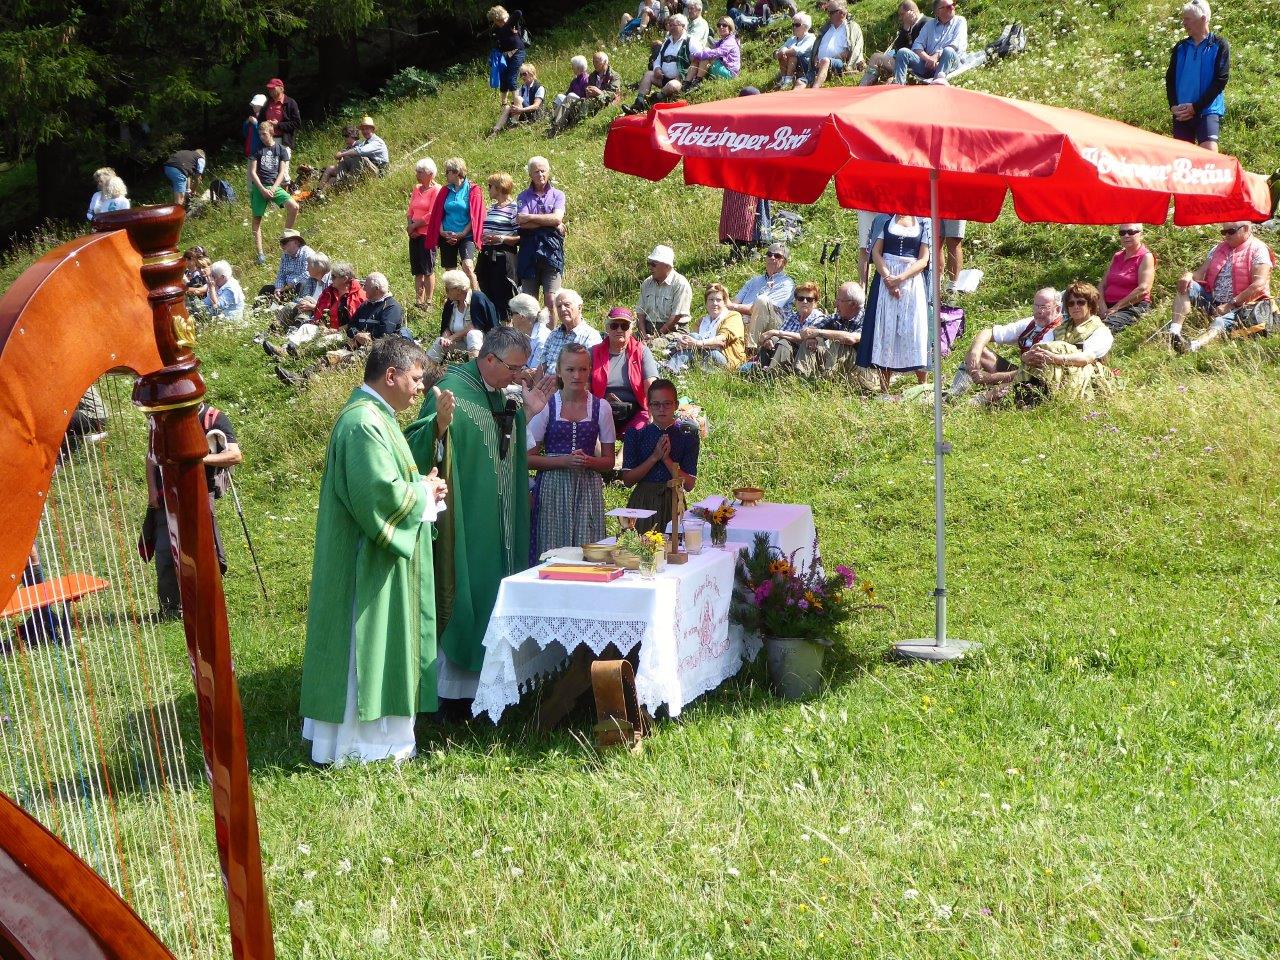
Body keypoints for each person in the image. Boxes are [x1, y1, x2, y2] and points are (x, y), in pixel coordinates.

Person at [299, 338, 452, 765]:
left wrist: (421, 485)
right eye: (416, 379)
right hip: (363, 563)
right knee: (365, 645)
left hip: (370, 556)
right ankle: (362, 746)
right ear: (391, 375)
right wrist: (423, 492)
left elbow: (388, 482)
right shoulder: (363, 423)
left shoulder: (376, 416)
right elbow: (378, 496)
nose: (420, 388)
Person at [406, 327, 556, 706]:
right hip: (467, 522)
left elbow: (501, 442)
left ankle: (492, 687)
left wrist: (527, 412)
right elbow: (420, 445)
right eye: (513, 368)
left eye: (523, 368)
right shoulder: (452, 392)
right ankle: (451, 693)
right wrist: (438, 427)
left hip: (499, 523)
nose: (519, 376)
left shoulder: (497, 393)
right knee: (466, 592)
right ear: (489, 359)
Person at [141, 401, 241, 621]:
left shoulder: (213, 418)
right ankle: (170, 609)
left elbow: (235, 456)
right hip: (166, 495)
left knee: (205, 551)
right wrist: (152, 491)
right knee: (165, 552)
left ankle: (208, 602)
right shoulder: (162, 417)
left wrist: (199, 458)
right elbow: (151, 456)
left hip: (200, 493)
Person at [527, 344, 618, 562]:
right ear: (559, 371)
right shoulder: (546, 406)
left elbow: (609, 462)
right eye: (570, 369)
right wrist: (564, 461)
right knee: (552, 550)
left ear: (590, 370)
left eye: (582, 369)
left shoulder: (601, 408)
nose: (577, 375)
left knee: (588, 551)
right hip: (553, 488)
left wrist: (589, 462)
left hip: (587, 488)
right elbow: (527, 458)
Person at [962, 285, 1114, 402]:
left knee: (1014, 385)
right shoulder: (1060, 329)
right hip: (1037, 371)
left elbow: (1086, 358)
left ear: (1090, 305)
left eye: (1080, 302)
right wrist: (1026, 357)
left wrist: (1053, 358)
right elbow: (989, 332)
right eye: (1071, 303)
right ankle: (957, 393)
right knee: (977, 350)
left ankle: (974, 401)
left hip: (1073, 376)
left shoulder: (1100, 331)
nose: (1075, 307)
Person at [276, 273, 405, 386]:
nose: (364, 289)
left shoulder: (391, 307)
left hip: (377, 350)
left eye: (366, 286)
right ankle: (301, 375)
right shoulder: (365, 305)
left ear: (376, 289)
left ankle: (307, 381)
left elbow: (385, 333)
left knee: (345, 360)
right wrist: (357, 335)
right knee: (331, 355)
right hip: (355, 343)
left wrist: (368, 338)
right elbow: (351, 325)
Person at [1170, 221, 1274, 354]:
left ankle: (1193, 346)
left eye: (1231, 231)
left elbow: (1259, 284)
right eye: (1224, 232)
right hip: (1213, 300)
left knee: (1220, 322)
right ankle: (1174, 332)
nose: (1227, 235)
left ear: (1246, 229)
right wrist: (1188, 276)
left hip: (1243, 305)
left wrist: (1231, 304)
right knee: (1187, 286)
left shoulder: (1259, 249)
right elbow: (1199, 274)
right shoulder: (1218, 248)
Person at [858, 213, 931, 390]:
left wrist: (900, 278)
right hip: (886, 278)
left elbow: (924, 259)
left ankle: (923, 386)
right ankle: (885, 388)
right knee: (886, 328)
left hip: (912, 280)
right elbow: (876, 252)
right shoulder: (884, 219)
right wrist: (888, 278)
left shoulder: (924, 222)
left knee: (914, 329)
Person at [620, 379, 699, 535]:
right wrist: (654, 457)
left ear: (676, 405)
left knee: (673, 545)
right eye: (656, 404)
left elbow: (689, 484)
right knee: (641, 546)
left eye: (667, 404)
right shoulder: (636, 435)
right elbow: (628, 480)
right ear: (648, 406)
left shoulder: (687, 436)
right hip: (643, 501)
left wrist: (667, 460)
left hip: (673, 501)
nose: (661, 409)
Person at [1165, 0, 1229, 151]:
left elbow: (1221, 79)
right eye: (1183, 19)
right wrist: (1173, 106)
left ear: (1203, 19)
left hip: (1207, 111)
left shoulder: (1219, 45)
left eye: (1188, 19)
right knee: (1182, 159)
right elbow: (1170, 78)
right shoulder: (1180, 47)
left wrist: (1196, 107)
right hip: (1182, 112)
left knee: (1209, 157)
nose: (1184, 23)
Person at [591, 307, 658, 436]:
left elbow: (651, 385)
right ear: (607, 328)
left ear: (631, 329)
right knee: (589, 433)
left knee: (639, 431)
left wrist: (652, 414)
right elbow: (584, 386)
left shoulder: (642, 352)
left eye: (625, 326)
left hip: (634, 412)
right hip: (600, 411)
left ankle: (624, 448)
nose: (619, 330)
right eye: (614, 325)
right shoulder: (593, 352)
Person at [428, 157, 485, 292]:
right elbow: (438, 213)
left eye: (447, 172)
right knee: (450, 273)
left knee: (468, 266)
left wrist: (463, 233)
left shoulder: (473, 189)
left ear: (456, 172)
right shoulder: (445, 190)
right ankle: (453, 298)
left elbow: (476, 215)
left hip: (466, 235)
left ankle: (476, 295)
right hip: (447, 235)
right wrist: (441, 231)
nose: (445, 175)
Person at [622, 14, 700, 113]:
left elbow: (698, 59)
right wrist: (657, 68)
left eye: (673, 25)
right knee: (648, 74)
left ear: (683, 26)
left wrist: (686, 76)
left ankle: (653, 100)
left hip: (680, 80)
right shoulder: (667, 42)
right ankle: (638, 103)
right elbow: (658, 59)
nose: (670, 27)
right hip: (663, 78)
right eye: (670, 25)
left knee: (672, 85)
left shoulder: (691, 41)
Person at [516, 156, 566, 310]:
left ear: (548, 171)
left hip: (552, 252)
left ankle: (551, 326)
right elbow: (521, 222)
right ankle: (532, 327)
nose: (540, 174)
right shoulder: (523, 196)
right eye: (536, 172)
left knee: (552, 300)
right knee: (529, 303)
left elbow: (557, 218)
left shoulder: (558, 195)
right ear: (530, 174)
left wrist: (530, 218)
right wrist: (550, 223)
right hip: (528, 253)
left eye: (543, 171)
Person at [248, 120, 300, 265]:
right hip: (259, 187)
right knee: (257, 219)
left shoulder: (281, 150)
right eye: (260, 134)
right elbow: (252, 172)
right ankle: (260, 254)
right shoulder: (257, 149)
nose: (261, 137)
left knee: (294, 207)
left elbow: (282, 171)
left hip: (274, 186)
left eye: (264, 134)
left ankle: (286, 240)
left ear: (271, 133)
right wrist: (262, 189)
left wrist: (273, 188)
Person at [727, 242, 797, 348]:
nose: (772, 257)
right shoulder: (754, 281)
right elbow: (734, 302)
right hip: (745, 318)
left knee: (762, 300)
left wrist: (734, 307)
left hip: (772, 324)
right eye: (769, 254)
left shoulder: (787, 283)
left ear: (784, 262)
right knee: (716, 298)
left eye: (777, 256)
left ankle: (752, 348)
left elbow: (759, 309)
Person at [262, 250, 332, 354]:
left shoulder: (331, 282)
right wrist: (303, 302)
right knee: (291, 304)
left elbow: (332, 306)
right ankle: (273, 330)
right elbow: (301, 297)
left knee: (307, 300)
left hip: (320, 313)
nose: (307, 268)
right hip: (307, 308)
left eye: (309, 265)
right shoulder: (311, 280)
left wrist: (313, 306)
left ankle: (292, 334)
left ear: (318, 268)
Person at [665, 283, 746, 371]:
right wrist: (682, 343)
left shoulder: (733, 316)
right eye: (711, 300)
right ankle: (672, 368)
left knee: (694, 337)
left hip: (725, 361)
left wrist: (696, 343)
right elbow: (690, 342)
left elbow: (722, 341)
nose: (714, 303)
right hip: (702, 357)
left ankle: (670, 369)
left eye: (718, 300)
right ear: (706, 303)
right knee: (689, 339)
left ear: (724, 302)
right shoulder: (701, 321)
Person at [793, 280, 866, 376]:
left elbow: (851, 339)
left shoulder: (867, 320)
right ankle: (801, 376)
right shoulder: (837, 317)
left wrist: (819, 332)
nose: (835, 304)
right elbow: (807, 331)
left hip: (859, 367)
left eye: (839, 301)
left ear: (853, 304)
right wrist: (811, 336)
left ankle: (828, 378)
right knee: (809, 341)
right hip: (836, 362)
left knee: (840, 342)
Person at [477, 172, 521, 323]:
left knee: (504, 295)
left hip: (503, 258)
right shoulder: (492, 208)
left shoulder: (514, 209)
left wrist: (500, 238)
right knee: (489, 294)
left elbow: (520, 237)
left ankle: (507, 326)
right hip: (487, 255)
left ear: (499, 187)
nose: (488, 189)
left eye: (490, 186)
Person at [431, 270, 499, 363]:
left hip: (482, 346)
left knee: (473, 334)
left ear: (458, 290)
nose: (445, 291)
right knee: (439, 341)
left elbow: (476, 325)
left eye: (447, 289)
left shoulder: (478, 298)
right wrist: (445, 339)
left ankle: (474, 367)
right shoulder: (450, 303)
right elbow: (446, 327)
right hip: (460, 345)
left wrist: (452, 337)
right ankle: (427, 368)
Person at [1098, 224, 1156, 333]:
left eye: (1131, 232)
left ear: (1141, 234)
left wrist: (1115, 308)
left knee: (1103, 329)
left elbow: (1144, 289)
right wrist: (1102, 307)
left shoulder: (1146, 257)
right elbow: (1102, 285)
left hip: (1131, 306)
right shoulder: (1117, 256)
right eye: (1122, 233)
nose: (1126, 235)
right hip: (1107, 305)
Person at [893, 0, 966, 85]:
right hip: (929, 64)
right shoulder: (929, 25)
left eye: (953, 4)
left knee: (948, 51)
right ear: (937, 12)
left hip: (950, 61)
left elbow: (955, 44)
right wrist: (928, 59)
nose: (952, 8)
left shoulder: (960, 21)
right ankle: (898, 84)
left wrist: (936, 56)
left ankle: (938, 81)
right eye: (948, 7)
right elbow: (917, 45)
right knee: (903, 52)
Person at [756, 281, 825, 370]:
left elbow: (802, 337)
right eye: (801, 298)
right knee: (773, 340)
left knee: (783, 342)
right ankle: (760, 369)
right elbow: (780, 335)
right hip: (788, 353)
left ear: (815, 303)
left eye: (809, 299)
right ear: (796, 301)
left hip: (806, 357)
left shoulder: (819, 318)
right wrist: (770, 339)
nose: (804, 302)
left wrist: (775, 332)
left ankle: (773, 372)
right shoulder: (792, 316)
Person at [532, 288, 602, 371]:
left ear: (579, 308)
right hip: (546, 379)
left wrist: (557, 378)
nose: (562, 309)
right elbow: (542, 365)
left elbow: (590, 371)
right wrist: (537, 379)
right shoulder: (553, 334)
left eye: (567, 305)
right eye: (559, 306)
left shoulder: (591, 336)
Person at [316, 116, 389, 195]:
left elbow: (360, 151)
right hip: (369, 170)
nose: (365, 131)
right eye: (363, 129)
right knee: (343, 163)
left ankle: (349, 184)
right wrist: (342, 155)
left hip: (379, 171)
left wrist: (342, 154)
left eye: (367, 128)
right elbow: (356, 150)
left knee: (359, 157)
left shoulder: (377, 142)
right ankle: (323, 191)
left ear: (372, 129)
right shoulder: (364, 143)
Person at [801, 0, 864, 90]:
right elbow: (817, 47)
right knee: (800, 82)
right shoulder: (826, 28)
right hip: (818, 65)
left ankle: (814, 89)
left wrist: (828, 59)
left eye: (831, 12)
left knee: (825, 61)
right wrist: (816, 57)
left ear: (841, 13)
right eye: (827, 11)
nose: (828, 15)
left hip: (839, 64)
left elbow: (849, 52)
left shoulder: (851, 28)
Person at [861, 1, 927, 86]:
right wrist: (906, 28)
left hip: (919, 65)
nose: (900, 18)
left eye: (902, 14)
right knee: (876, 57)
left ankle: (897, 79)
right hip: (903, 61)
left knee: (902, 53)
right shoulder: (908, 25)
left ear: (911, 12)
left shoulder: (926, 23)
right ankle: (863, 86)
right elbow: (898, 48)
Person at [407, 158, 442, 311]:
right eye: (417, 172)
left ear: (430, 174)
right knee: (417, 270)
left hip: (427, 234)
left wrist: (414, 226)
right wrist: (411, 228)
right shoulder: (416, 188)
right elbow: (410, 211)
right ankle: (418, 300)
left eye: (420, 172)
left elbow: (432, 214)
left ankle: (429, 301)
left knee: (428, 269)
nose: (417, 175)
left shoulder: (436, 190)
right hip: (414, 234)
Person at [636, 244, 694, 338]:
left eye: (654, 264)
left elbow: (676, 316)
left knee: (655, 345)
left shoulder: (680, 284)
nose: (650, 267)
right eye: (649, 263)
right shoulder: (647, 283)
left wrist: (656, 336)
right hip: (648, 330)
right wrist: (643, 334)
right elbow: (640, 313)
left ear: (667, 265)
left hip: (673, 331)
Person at [490, 63, 545, 135]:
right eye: (521, 75)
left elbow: (536, 106)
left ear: (532, 73)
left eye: (524, 74)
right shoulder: (522, 88)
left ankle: (513, 123)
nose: (522, 77)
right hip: (522, 113)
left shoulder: (539, 88)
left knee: (518, 98)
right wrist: (514, 107)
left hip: (534, 115)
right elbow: (516, 102)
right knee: (507, 107)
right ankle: (495, 130)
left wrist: (521, 110)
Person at [490, 6, 528, 107]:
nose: (502, 22)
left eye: (503, 19)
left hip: (517, 53)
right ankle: (504, 105)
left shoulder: (510, 23)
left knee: (511, 79)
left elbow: (518, 12)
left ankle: (518, 106)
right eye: (499, 21)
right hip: (505, 56)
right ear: (495, 21)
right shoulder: (496, 29)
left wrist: (506, 18)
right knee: (503, 80)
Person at [686, 17, 741, 87]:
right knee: (700, 57)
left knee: (705, 55)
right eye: (719, 25)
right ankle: (686, 83)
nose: (721, 27)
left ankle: (697, 82)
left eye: (724, 25)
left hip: (730, 73)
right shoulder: (722, 41)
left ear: (730, 27)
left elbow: (717, 52)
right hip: (723, 68)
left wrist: (696, 55)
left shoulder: (730, 41)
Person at [548, 56, 591, 134]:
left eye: (573, 66)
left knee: (571, 95)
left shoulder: (587, 79)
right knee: (559, 96)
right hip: (571, 101)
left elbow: (586, 95)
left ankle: (558, 124)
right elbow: (567, 94)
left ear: (578, 68)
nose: (572, 68)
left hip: (581, 102)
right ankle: (554, 119)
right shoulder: (575, 80)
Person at [507, 293, 554, 363]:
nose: (510, 318)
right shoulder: (524, 333)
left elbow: (535, 369)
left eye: (511, 313)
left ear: (522, 316)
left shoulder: (542, 340)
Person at [270, 229, 314, 303]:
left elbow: (308, 274)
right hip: (287, 287)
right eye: (281, 243)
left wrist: (292, 284)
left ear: (296, 242)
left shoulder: (307, 253)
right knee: (266, 289)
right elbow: (281, 274)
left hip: (301, 287)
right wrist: (278, 288)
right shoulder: (285, 255)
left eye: (284, 242)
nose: (282, 245)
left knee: (301, 284)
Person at [776, 12, 816, 89]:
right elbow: (780, 50)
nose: (794, 27)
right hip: (793, 63)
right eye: (793, 25)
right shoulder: (792, 39)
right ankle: (783, 79)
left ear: (805, 26)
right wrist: (779, 53)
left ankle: (788, 80)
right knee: (783, 55)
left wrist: (784, 51)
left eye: (797, 25)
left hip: (806, 64)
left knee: (792, 55)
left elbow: (799, 51)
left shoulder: (811, 37)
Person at [259, 78, 301, 149]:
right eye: (269, 88)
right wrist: (266, 124)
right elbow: (260, 120)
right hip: (267, 141)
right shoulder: (267, 103)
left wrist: (278, 125)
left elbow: (296, 123)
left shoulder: (290, 103)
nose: (270, 90)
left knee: (283, 157)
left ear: (281, 88)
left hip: (284, 141)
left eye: (273, 88)